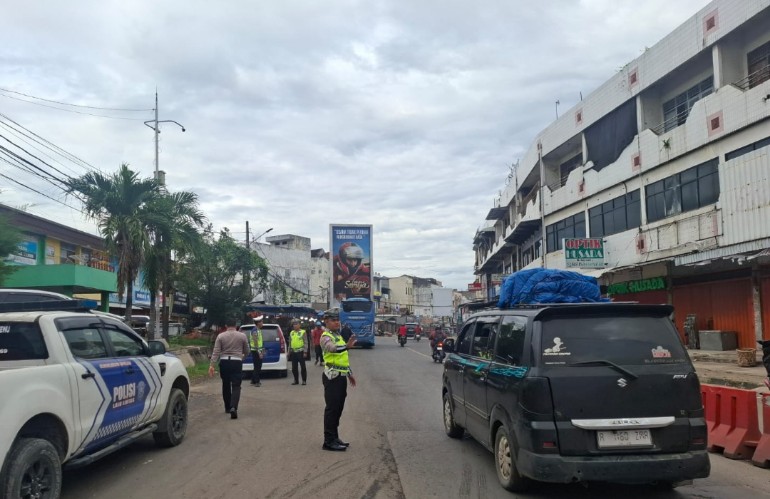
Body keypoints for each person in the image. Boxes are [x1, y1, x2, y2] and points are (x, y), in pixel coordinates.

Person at [320, 308, 357, 451]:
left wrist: (349, 373)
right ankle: (328, 441)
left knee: (338, 409)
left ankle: (334, 437)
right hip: (332, 377)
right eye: (333, 320)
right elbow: (332, 349)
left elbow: (342, 359)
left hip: (341, 377)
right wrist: (346, 346)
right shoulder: (325, 336)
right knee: (332, 409)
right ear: (326, 321)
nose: (337, 322)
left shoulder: (338, 336)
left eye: (337, 320)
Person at [208, 317, 250, 419]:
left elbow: (216, 351)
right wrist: (243, 357)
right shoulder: (242, 336)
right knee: (236, 385)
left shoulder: (221, 336)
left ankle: (227, 407)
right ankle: (233, 407)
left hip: (224, 362)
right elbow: (247, 350)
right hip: (236, 362)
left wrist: (212, 365)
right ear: (236, 325)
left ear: (226, 326)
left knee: (225, 384)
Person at [289, 319, 309, 385]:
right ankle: (296, 380)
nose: (295, 326)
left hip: (301, 351)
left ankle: (304, 380)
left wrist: (305, 352)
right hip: (293, 352)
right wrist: (289, 352)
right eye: (294, 324)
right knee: (294, 368)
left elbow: (306, 342)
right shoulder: (291, 332)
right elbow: (290, 343)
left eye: (296, 324)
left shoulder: (303, 332)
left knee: (303, 367)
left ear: (299, 325)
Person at [249, 315, 265, 387]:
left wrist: (262, 350)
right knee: (257, 366)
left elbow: (260, 342)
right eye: (261, 322)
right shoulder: (255, 331)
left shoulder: (258, 330)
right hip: (255, 350)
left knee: (258, 366)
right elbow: (255, 342)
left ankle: (253, 380)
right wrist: (259, 352)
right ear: (258, 323)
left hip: (259, 349)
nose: (262, 323)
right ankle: (257, 382)